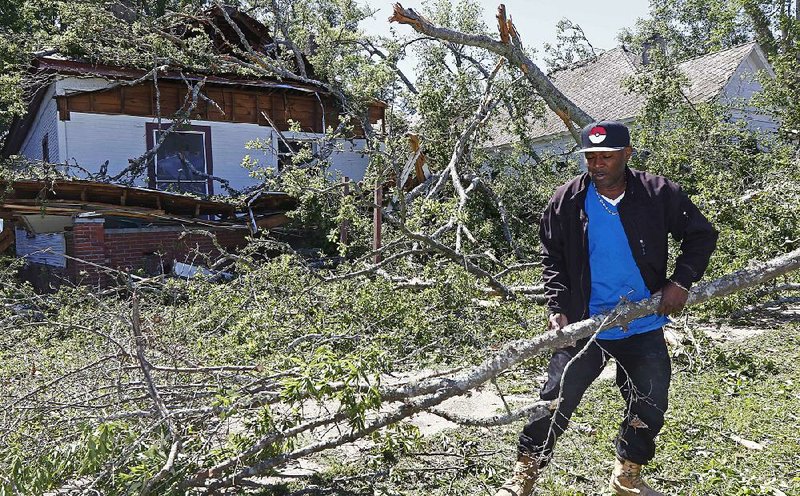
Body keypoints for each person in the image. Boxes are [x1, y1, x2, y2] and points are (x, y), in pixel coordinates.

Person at [495, 120, 718, 496]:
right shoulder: (566, 200)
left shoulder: (658, 193)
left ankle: (627, 475)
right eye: (591, 157)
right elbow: (552, 258)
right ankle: (523, 476)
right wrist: (558, 307)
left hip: (642, 322)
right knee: (555, 400)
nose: (598, 164)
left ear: (627, 155)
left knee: (649, 401)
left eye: (607, 157)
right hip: (586, 325)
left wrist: (680, 282)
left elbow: (701, 235)